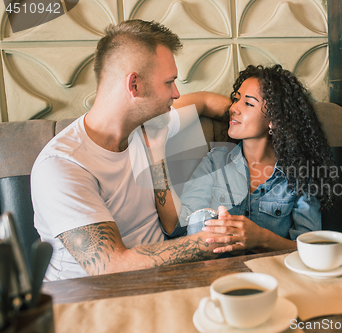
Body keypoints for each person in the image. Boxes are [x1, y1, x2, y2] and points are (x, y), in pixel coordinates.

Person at [31, 20, 230, 280]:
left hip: (159, 281)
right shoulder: (61, 166)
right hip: (90, 298)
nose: (177, 93)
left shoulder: (150, 125)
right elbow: (110, 265)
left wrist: (274, 122)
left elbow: (204, 101)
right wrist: (210, 240)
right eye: (169, 82)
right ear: (134, 85)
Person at [164, 65, 336, 254]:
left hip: (274, 275)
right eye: (236, 99)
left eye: (248, 103)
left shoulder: (299, 174)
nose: (233, 108)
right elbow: (185, 223)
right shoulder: (216, 161)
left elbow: (311, 249)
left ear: (274, 120)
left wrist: (262, 238)